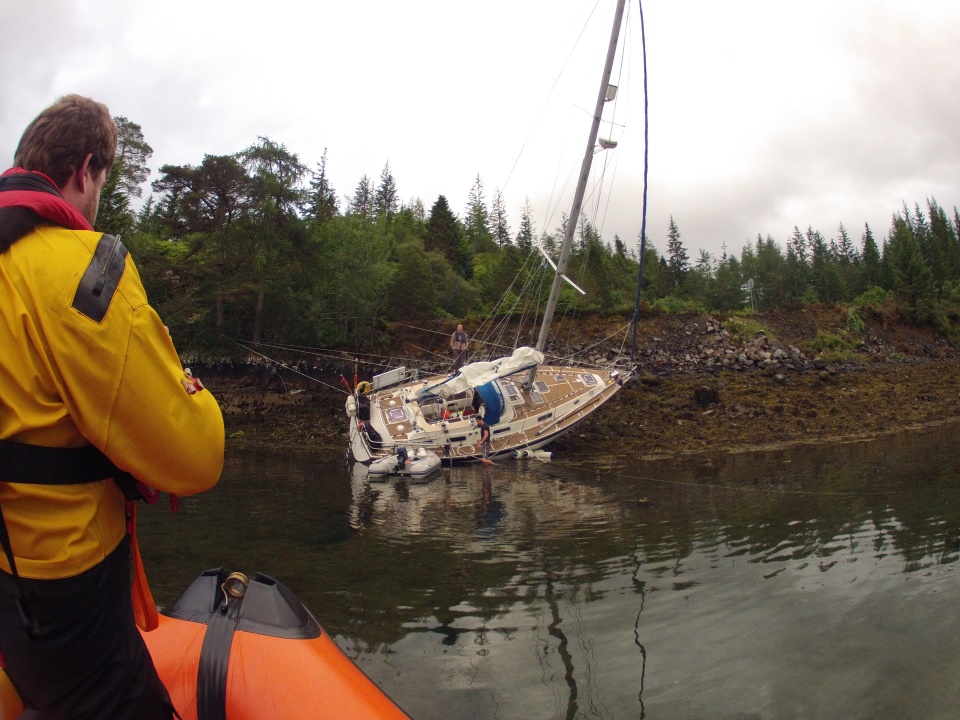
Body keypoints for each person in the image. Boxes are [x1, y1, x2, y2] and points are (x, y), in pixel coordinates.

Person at [0, 95, 225, 719]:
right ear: (86, 170)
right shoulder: (83, 274)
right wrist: (191, 392)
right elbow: (195, 459)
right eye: (102, 181)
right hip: (65, 587)